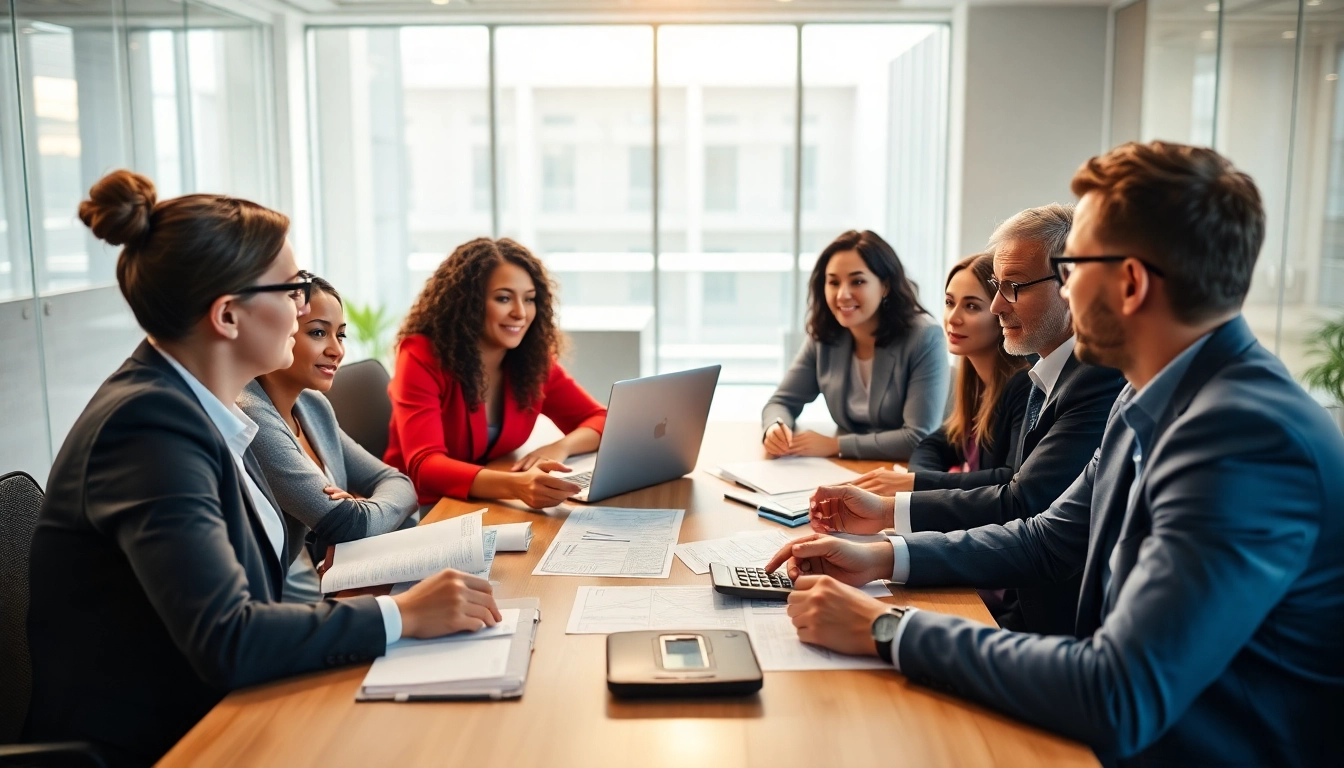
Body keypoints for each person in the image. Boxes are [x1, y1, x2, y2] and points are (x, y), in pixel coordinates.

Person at [767, 141, 1344, 766]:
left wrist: (887, 629)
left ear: (1129, 282)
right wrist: (879, 556)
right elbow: (1046, 538)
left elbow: (1117, 689)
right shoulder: (1147, 394)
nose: (1061, 293)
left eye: (1070, 270)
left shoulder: (1245, 439)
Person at [25, 171, 501, 766]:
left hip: (233, 706)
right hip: (170, 741)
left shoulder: (202, 409)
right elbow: (229, 638)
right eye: (292, 289)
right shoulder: (149, 428)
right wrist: (402, 613)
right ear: (228, 316)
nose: (303, 306)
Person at [816, 205, 1125, 635]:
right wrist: (886, 539)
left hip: (1048, 630)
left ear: (1074, 286)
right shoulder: (1046, 371)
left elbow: (1024, 507)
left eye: (1013, 287)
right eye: (998, 286)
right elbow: (1034, 525)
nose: (998, 305)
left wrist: (892, 521)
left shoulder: (1098, 381)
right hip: (1021, 610)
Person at [385, 237, 606, 509]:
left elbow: (600, 419)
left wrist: (560, 448)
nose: (520, 313)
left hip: (487, 502)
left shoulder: (532, 362)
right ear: (468, 303)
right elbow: (425, 465)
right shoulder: (421, 355)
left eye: (529, 299)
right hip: (422, 508)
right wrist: (517, 486)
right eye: (503, 298)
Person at [238, 276, 418, 603]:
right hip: (288, 605)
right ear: (276, 330)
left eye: (341, 334)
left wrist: (365, 510)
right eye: (318, 332)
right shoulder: (250, 414)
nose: (337, 350)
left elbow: (398, 481)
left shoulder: (311, 405)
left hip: (340, 582)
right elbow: (346, 526)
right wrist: (358, 516)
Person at [761, 229, 948, 461]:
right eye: (833, 282)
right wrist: (775, 429)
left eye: (857, 281)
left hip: (901, 475)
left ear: (885, 286)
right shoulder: (825, 335)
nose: (842, 294)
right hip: (849, 469)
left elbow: (918, 438)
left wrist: (836, 445)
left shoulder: (924, 337)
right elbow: (781, 402)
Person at [853, 253, 1031, 493]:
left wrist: (917, 482)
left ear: (1000, 313)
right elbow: (933, 445)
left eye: (971, 306)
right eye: (949, 302)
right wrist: (920, 481)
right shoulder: (975, 384)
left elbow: (1010, 479)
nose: (953, 318)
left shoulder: (1024, 385)